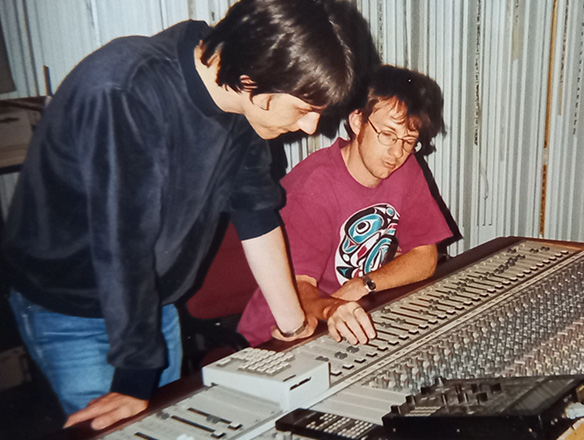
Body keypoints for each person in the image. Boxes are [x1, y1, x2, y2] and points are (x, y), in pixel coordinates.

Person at [0, 0, 375, 431]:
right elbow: (123, 245)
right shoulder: (124, 92)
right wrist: (135, 376)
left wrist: (293, 327)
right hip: (72, 306)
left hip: (150, 302)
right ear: (253, 82)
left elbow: (256, 213)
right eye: (305, 109)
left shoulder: (237, 94)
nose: (311, 128)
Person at [237, 65, 453, 347]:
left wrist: (365, 284)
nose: (396, 153)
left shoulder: (404, 166)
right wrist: (332, 308)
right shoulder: (314, 186)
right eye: (387, 135)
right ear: (356, 121)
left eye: (408, 141)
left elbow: (425, 256)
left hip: (348, 315)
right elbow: (297, 288)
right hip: (286, 332)